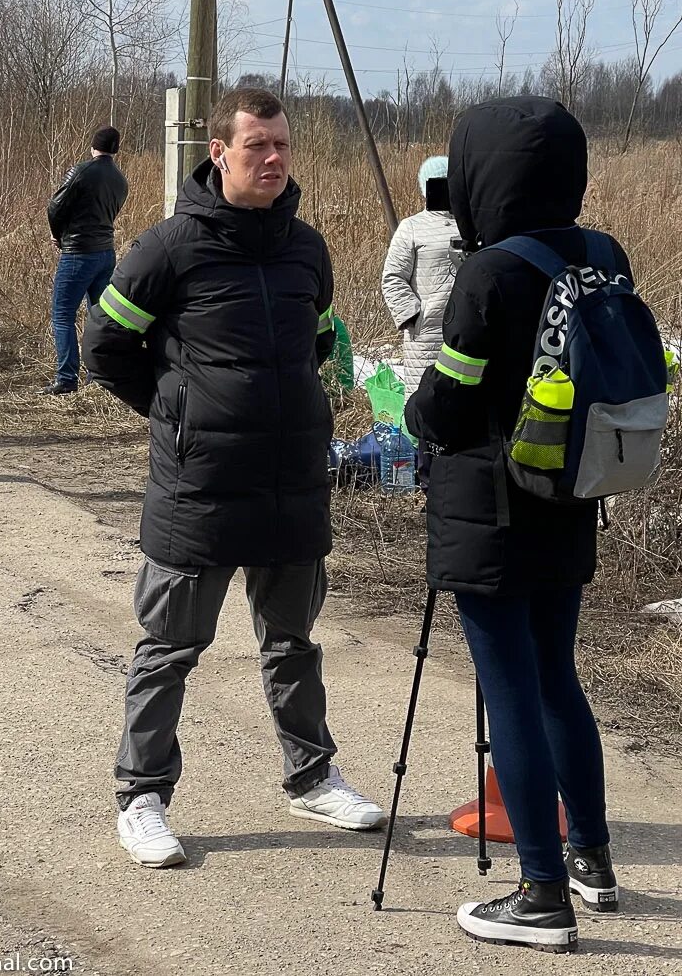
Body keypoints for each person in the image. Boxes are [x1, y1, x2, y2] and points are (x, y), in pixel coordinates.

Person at [83, 87, 385, 869]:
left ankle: (312, 776)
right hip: (201, 485)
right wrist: (177, 411)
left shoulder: (307, 248)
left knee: (292, 641)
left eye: (283, 145)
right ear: (220, 151)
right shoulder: (168, 246)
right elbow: (103, 346)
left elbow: (318, 339)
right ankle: (142, 796)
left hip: (291, 481)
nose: (275, 159)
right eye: (258, 146)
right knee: (170, 646)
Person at [405, 97, 622, 953]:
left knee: (511, 694)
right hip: (571, 500)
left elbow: (449, 407)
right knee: (557, 679)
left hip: (489, 513)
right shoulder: (603, 255)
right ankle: (590, 862)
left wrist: (414, 412)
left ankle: (538, 895)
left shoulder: (488, 273)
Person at [40, 125, 127, 395]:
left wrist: (57, 235)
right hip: (106, 252)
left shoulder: (81, 171)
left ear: (93, 146)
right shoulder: (120, 180)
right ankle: (98, 376)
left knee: (63, 314)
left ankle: (66, 379)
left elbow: (55, 206)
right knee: (99, 315)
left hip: (79, 251)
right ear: (116, 149)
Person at [380, 155, 457, 395]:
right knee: (424, 401)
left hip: (466, 331)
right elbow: (392, 277)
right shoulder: (411, 227)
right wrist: (414, 316)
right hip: (426, 336)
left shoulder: (474, 225)